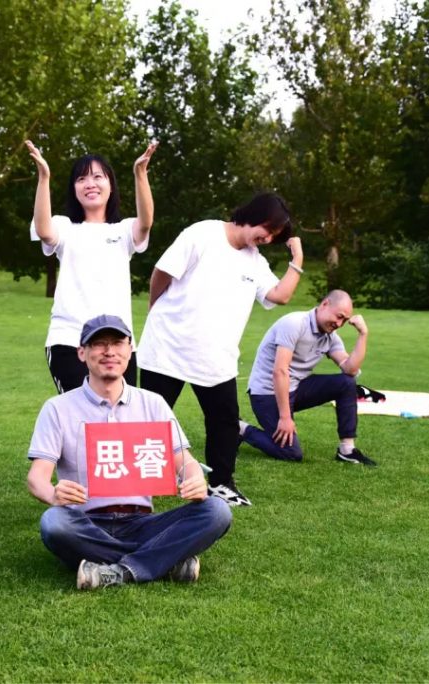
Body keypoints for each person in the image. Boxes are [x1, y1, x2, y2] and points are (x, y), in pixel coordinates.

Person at [27, 314, 232, 590]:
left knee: (217, 510)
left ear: (129, 350)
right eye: (99, 344)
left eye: (117, 343)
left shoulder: (153, 403)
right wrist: (53, 494)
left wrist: (195, 479)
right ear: (82, 353)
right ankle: (165, 560)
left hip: (143, 521)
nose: (109, 351)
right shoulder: (58, 408)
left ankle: (118, 570)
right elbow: (36, 478)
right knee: (54, 523)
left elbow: (185, 462)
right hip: (87, 521)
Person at [137, 192, 304, 507]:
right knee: (149, 421)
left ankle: (221, 484)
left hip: (215, 359)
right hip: (167, 348)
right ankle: (139, 485)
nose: (267, 239)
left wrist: (297, 262)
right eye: (267, 230)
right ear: (253, 214)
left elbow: (278, 295)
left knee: (225, 423)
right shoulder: (203, 234)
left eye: (273, 236)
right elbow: (161, 273)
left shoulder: (255, 261)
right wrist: (154, 309)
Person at [25, 139, 157, 393]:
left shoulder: (123, 230)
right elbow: (43, 230)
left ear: (110, 185)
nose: (90, 184)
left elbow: (145, 222)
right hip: (70, 339)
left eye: (98, 177)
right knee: (78, 416)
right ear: (74, 188)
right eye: (82, 179)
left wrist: (140, 174)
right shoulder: (65, 226)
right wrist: (44, 178)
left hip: (118, 342)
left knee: (119, 417)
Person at [241, 290, 376, 466]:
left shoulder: (330, 338)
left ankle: (347, 450)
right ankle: (240, 429)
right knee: (291, 453)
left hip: (295, 389)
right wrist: (285, 418)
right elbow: (280, 371)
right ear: (325, 304)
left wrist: (363, 334)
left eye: (344, 320)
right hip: (267, 394)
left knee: (346, 383)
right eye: (339, 316)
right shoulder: (295, 324)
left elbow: (350, 369)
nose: (339, 323)